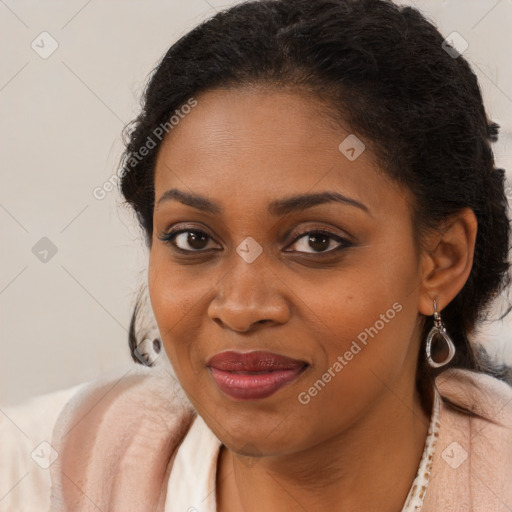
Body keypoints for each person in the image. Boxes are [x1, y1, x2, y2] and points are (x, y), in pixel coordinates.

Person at [1, 0, 511, 511]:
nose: (241, 308)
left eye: (316, 241)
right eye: (193, 239)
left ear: (440, 261)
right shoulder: (37, 476)